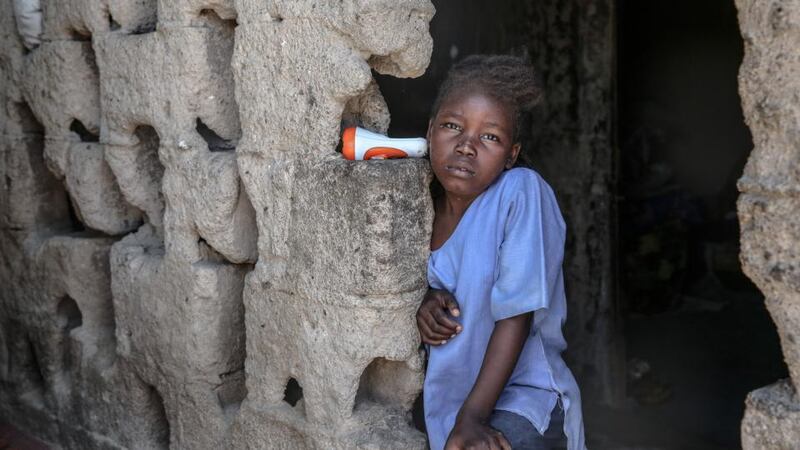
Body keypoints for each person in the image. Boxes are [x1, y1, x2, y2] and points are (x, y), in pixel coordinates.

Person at [416, 54, 586, 450]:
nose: (467, 146)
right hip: (449, 404)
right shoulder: (417, 204)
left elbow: (517, 315)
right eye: (453, 126)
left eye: (489, 136)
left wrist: (474, 419)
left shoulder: (520, 192)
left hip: (523, 399)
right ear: (430, 131)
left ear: (511, 154)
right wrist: (424, 300)